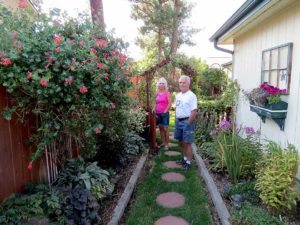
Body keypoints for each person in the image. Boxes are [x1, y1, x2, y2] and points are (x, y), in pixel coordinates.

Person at [174, 75, 198, 170]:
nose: (182, 84)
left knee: (187, 143)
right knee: (181, 142)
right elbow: (177, 108)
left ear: (188, 83)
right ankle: (184, 159)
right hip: (178, 121)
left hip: (187, 121)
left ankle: (188, 162)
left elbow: (194, 111)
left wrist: (188, 123)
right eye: (180, 82)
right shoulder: (178, 95)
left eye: (184, 82)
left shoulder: (192, 96)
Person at [154, 77, 171, 150]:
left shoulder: (167, 93)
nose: (161, 84)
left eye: (163, 83)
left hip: (165, 114)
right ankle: (163, 142)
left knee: (165, 129)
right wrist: (153, 108)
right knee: (160, 128)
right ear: (158, 84)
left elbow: (170, 103)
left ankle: (167, 144)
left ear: (165, 85)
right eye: (160, 83)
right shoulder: (156, 93)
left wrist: (165, 111)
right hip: (158, 113)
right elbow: (155, 103)